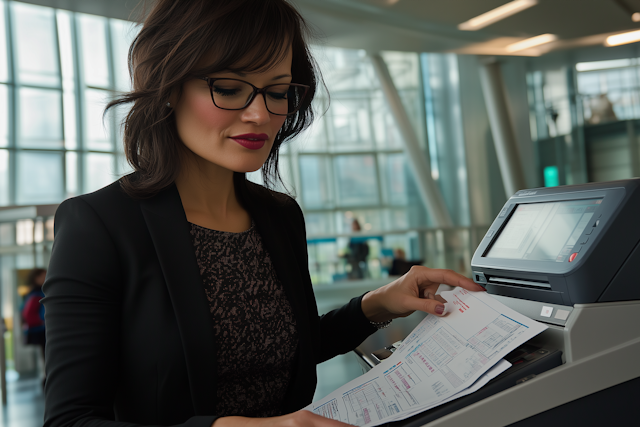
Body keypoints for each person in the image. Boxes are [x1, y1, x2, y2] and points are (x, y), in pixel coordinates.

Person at [42, 1, 484, 427]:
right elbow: (70, 420)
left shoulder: (279, 215)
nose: (260, 114)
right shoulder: (98, 226)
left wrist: (379, 304)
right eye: (229, 88)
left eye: (277, 92)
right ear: (168, 86)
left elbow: (284, 349)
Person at [22, 268, 46, 357]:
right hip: (41, 329)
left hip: (40, 329)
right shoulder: (37, 294)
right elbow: (28, 314)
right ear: (37, 278)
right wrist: (43, 322)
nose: (47, 277)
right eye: (44, 275)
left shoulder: (34, 293)